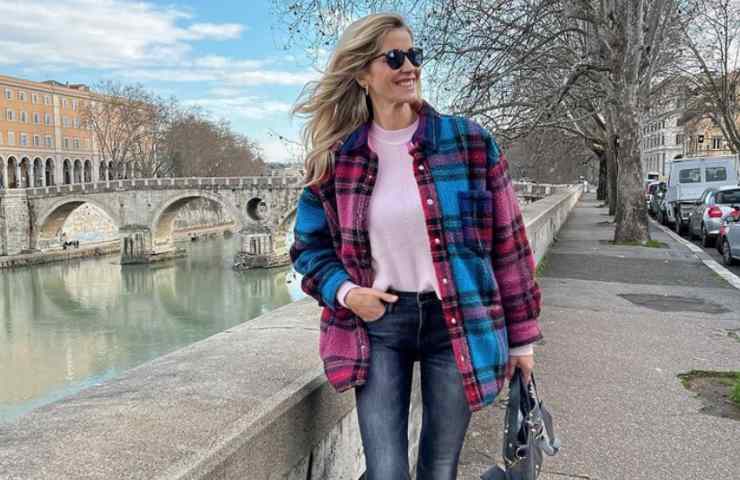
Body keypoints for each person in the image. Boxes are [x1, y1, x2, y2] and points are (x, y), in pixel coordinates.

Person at [289, 13, 542, 480]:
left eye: (414, 55)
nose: (409, 67)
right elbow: (308, 248)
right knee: (386, 471)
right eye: (394, 57)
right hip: (380, 324)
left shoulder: (468, 142)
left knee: (439, 469)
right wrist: (347, 292)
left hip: (458, 319)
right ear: (362, 74)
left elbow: (509, 244)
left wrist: (522, 339)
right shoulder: (337, 159)